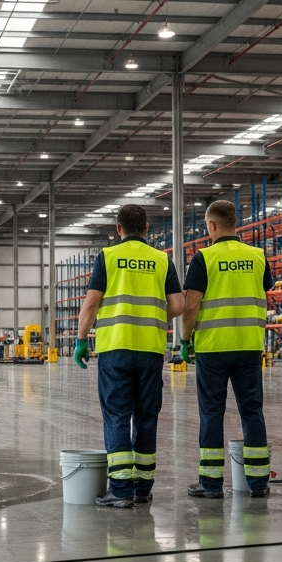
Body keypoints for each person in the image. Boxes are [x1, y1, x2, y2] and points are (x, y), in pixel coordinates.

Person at [73, 204, 184, 508]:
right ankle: (143, 487)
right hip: (150, 349)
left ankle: (121, 490)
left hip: (116, 349)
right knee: (146, 417)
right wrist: (151, 312)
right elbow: (178, 305)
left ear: (118, 228)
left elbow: (91, 303)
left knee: (118, 416)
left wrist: (81, 340)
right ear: (147, 229)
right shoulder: (162, 260)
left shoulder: (108, 257)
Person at [179, 199, 273, 500]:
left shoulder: (204, 258)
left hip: (213, 348)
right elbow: (264, 289)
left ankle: (210, 483)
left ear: (212, 226)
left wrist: (184, 340)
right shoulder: (258, 256)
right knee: (252, 411)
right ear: (236, 222)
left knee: (212, 413)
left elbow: (191, 305)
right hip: (248, 345)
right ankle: (258, 482)